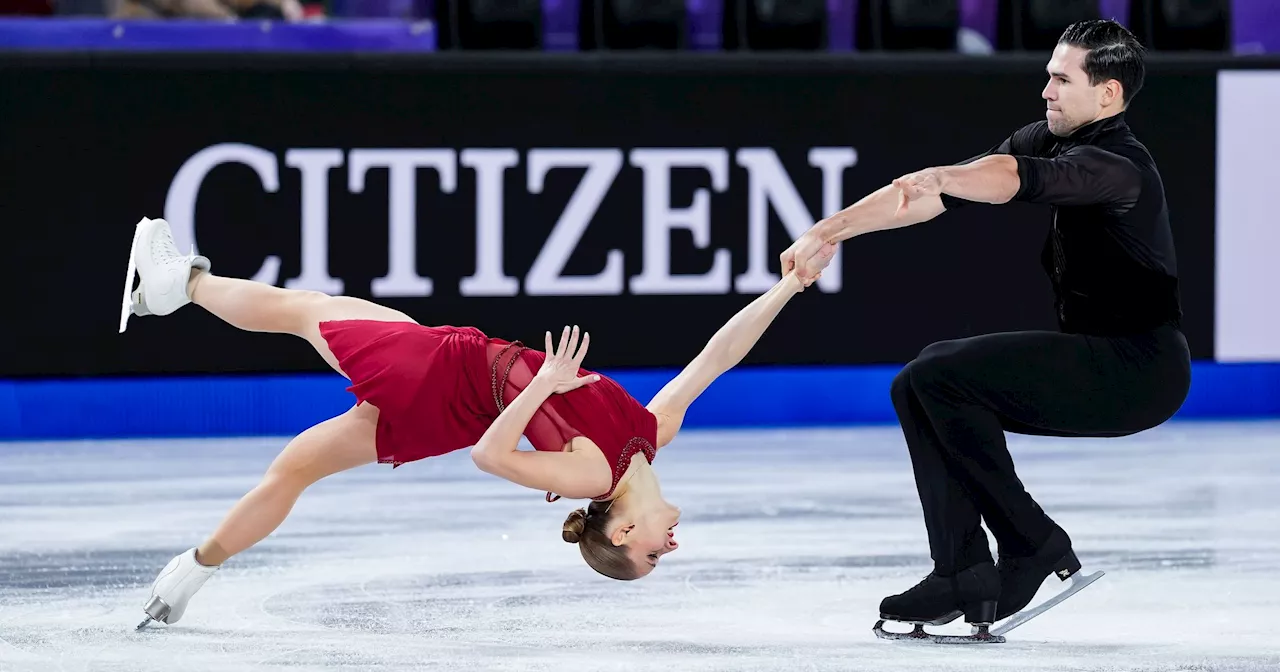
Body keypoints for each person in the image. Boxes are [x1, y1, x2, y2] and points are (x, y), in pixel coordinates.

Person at [122, 216, 835, 629]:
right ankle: (191, 573)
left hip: (446, 377)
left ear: (621, 531)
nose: (667, 548)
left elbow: (491, 457)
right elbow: (715, 359)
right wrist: (788, 288)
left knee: (304, 312)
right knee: (298, 466)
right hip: (451, 400)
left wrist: (544, 387)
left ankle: (179, 283)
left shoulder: (595, 471)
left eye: (650, 555)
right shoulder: (650, 437)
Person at [781, 19, 1191, 637]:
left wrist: (948, 174)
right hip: (1099, 356)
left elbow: (1006, 179)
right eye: (1047, 75)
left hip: (1140, 369)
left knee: (942, 374)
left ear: (1107, 94)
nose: (1045, 90)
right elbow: (935, 195)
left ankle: (1031, 543)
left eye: (1061, 79)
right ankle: (961, 570)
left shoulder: (1119, 166)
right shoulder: (1049, 138)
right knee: (917, 382)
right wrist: (826, 230)